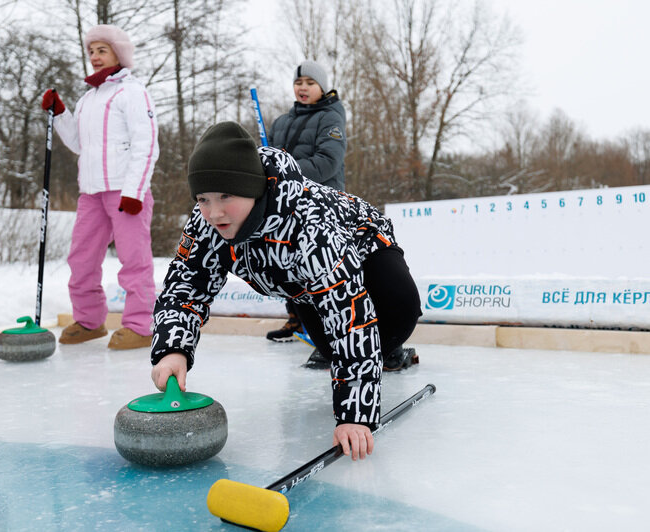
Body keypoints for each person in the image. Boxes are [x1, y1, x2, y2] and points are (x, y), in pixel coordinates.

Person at [150, 122, 422, 460]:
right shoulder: (205, 225)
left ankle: (387, 350)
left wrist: (355, 416)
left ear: (251, 189)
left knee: (396, 313)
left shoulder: (311, 226)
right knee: (329, 346)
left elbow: (348, 315)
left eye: (226, 196)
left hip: (365, 244)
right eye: (203, 199)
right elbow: (185, 286)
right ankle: (367, 349)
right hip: (300, 282)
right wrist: (173, 349)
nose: (214, 212)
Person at [41, 25, 159, 350]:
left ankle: (140, 325)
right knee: (81, 259)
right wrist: (60, 114)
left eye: (101, 50)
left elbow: (146, 144)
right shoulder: (88, 98)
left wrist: (135, 190)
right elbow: (79, 144)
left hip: (126, 192)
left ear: (118, 54)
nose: (94, 57)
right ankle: (90, 321)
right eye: (91, 51)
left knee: (134, 261)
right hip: (91, 192)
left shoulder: (132, 92)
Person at [264, 60, 347, 366]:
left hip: (321, 201)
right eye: (299, 83)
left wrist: (284, 171)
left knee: (318, 265)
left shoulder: (331, 117)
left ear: (322, 87)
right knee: (287, 261)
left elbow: (328, 162)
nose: (303, 88)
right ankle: (297, 318)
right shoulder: (282, 121)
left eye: (310, 83)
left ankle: (328, 329)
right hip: (285, 202)